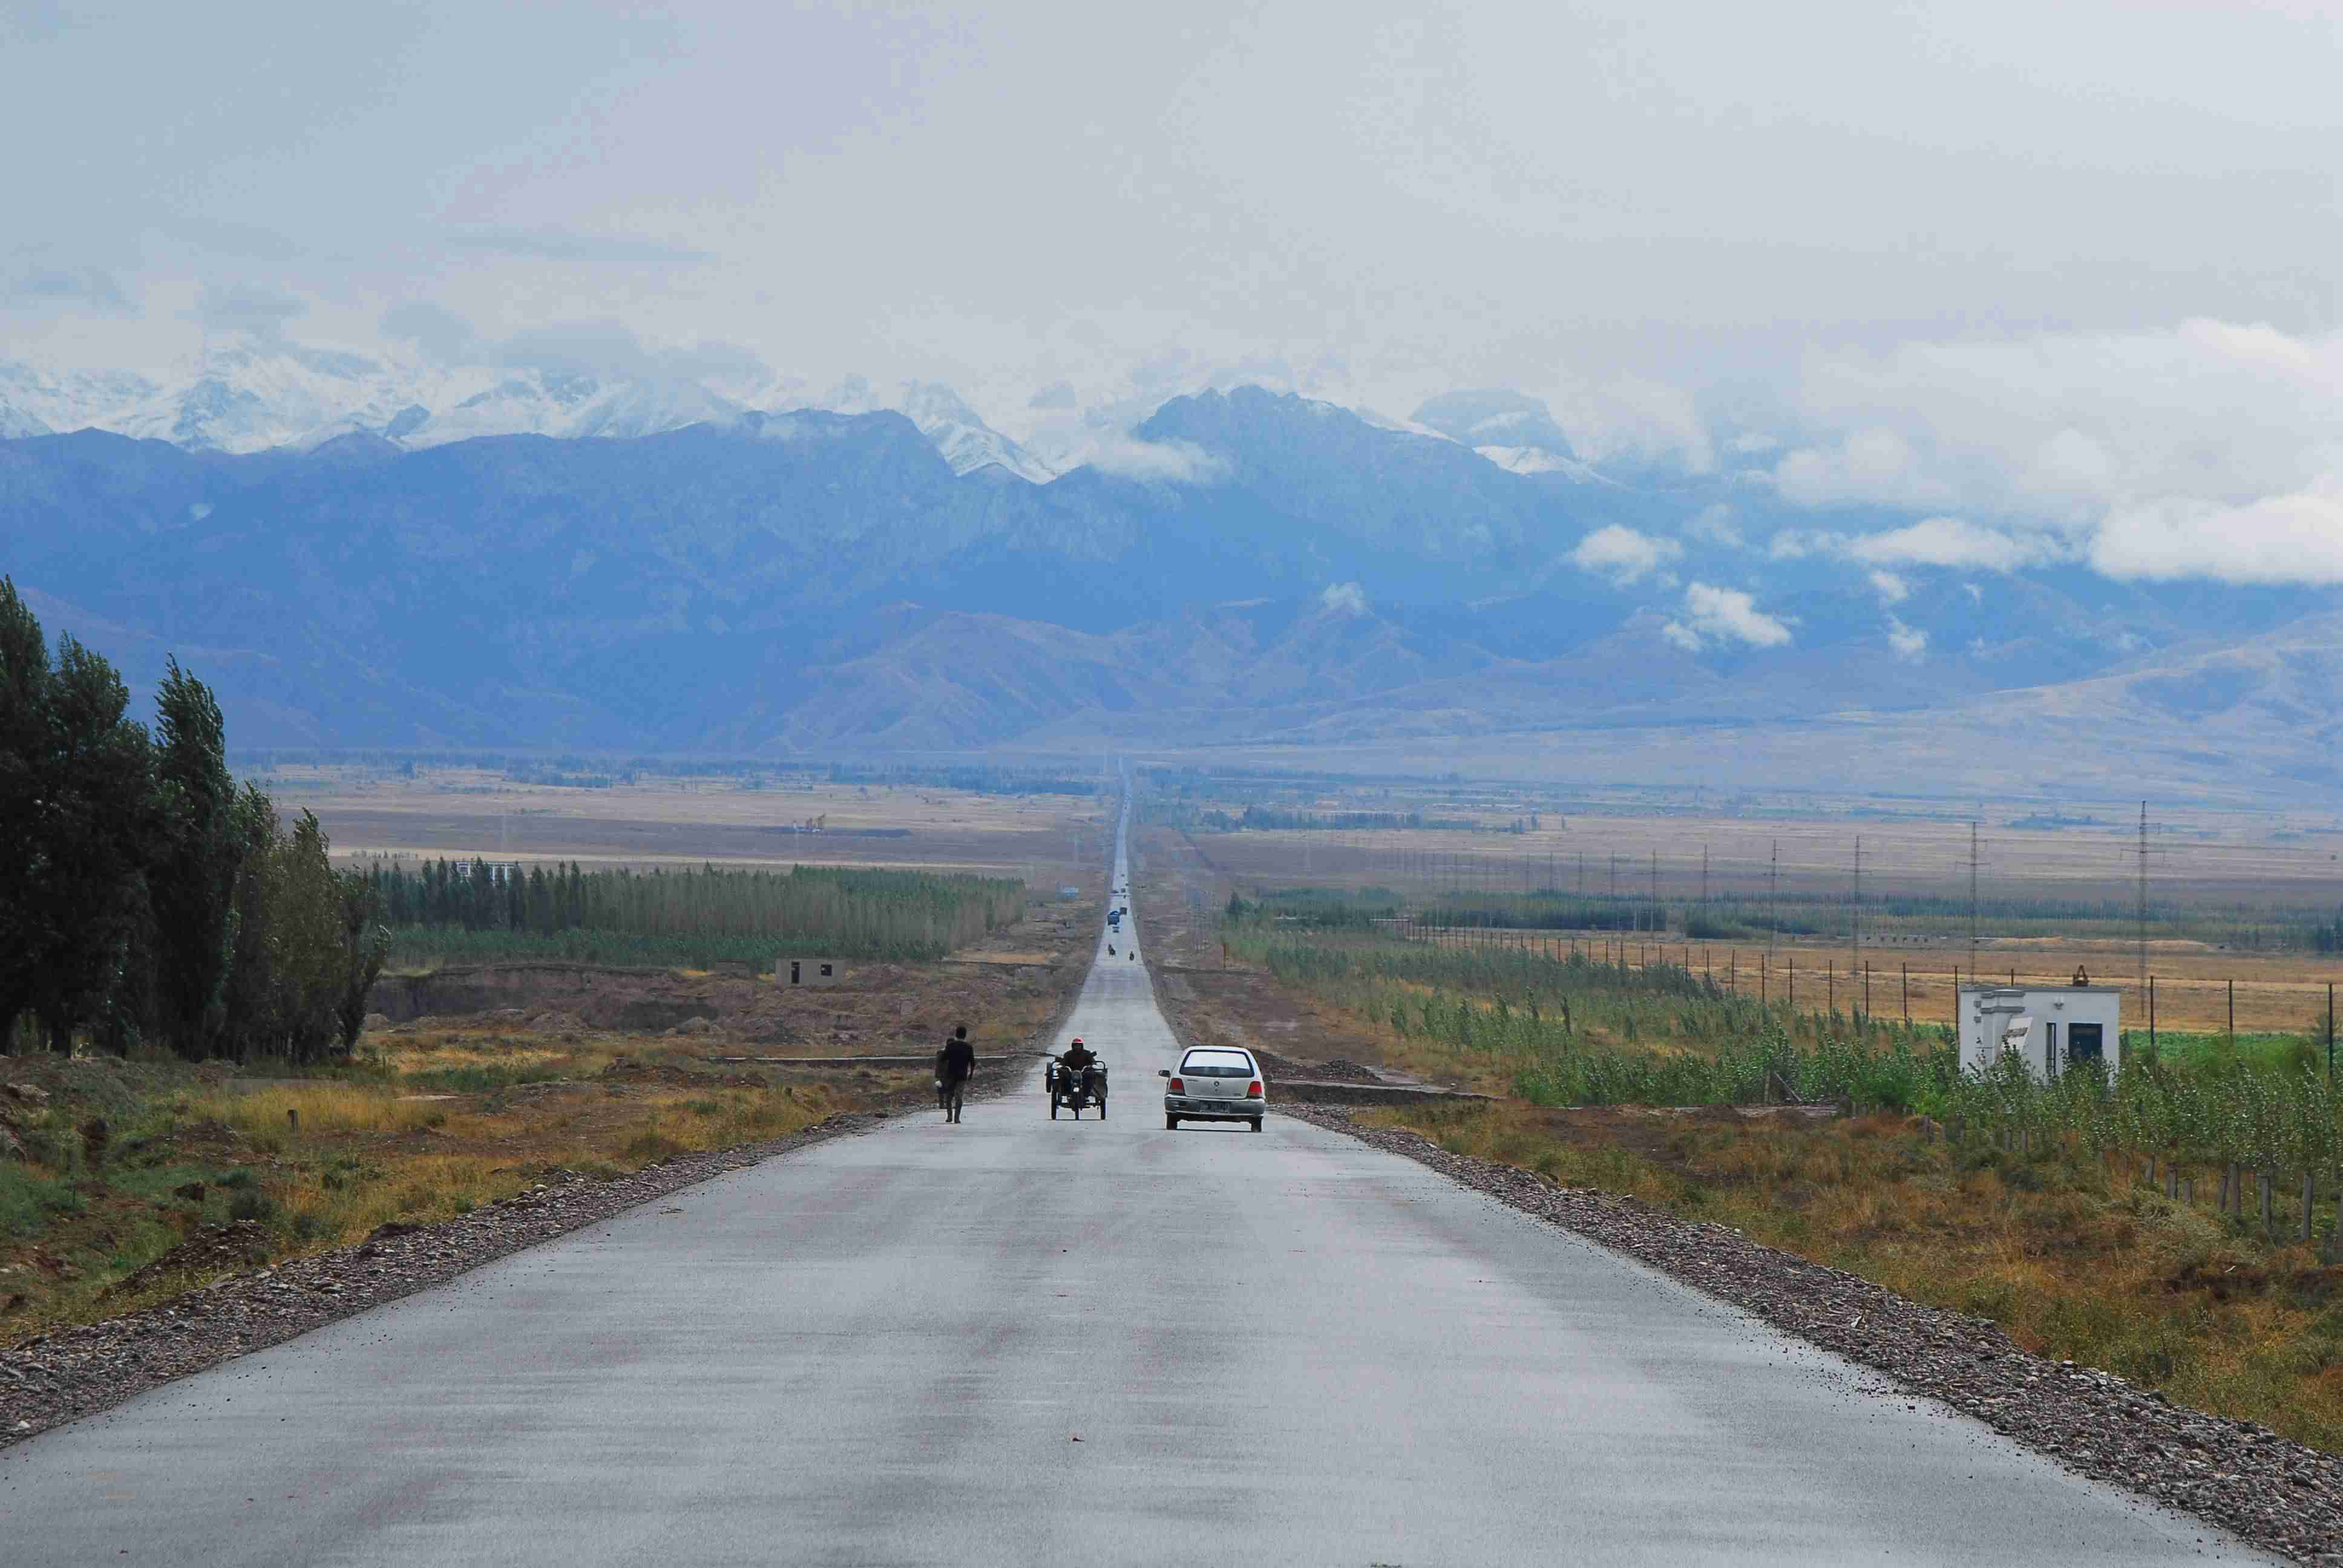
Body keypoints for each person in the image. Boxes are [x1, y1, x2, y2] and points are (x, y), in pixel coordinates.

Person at [939, 1023, 975, 1123]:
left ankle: (949, 1116)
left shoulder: (950, 1046)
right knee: (959, 1097)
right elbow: (972, 1062)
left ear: (956, 1034)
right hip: (962, 1076)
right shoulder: (969, 1047)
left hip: (950, 1075)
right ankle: (957, 1118)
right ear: (965, 1035)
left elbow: (942, 1059)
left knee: (949, 1096)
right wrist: (971, 1074)